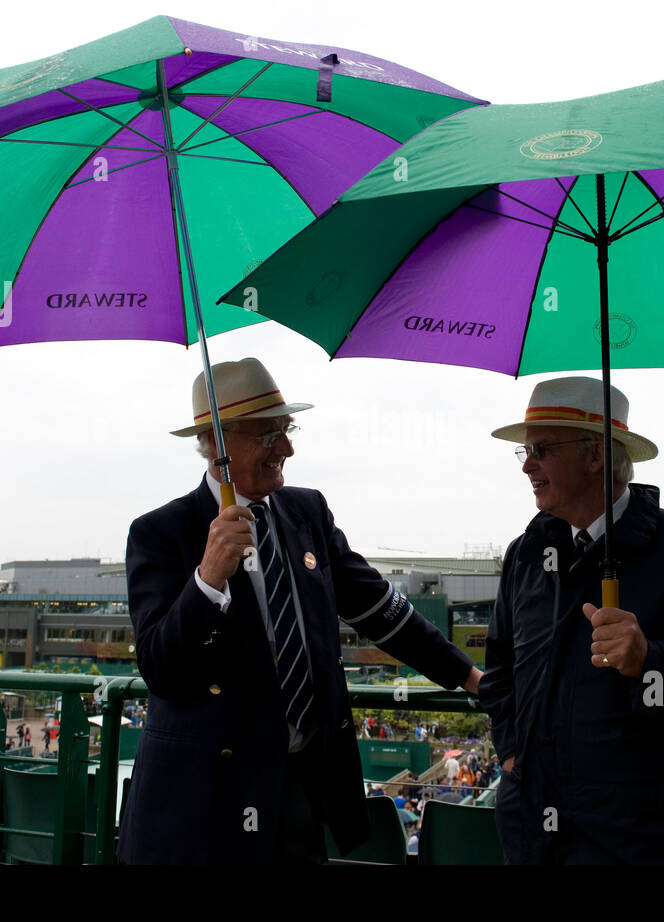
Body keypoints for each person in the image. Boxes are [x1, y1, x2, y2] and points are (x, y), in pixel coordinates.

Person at [118, 358, 482, 864]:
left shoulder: (306, 511)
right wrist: (208, 579)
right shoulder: (161, 533)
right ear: (220, 443)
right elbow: (160, 668)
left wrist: (468, 675)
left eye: (287, 430)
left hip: (294, 795)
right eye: (270, 435)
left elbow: (379, 607)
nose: (287, 448)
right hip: (201, 805)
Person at [480, 377, 664, 864]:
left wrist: (650, 663)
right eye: (526, 451)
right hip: (536, 838)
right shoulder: (525, 555)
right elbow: (500, 673)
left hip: (654, 844)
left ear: (595, 456)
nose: (528, 464)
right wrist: (514, 757)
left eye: (542, 449)